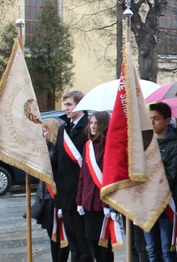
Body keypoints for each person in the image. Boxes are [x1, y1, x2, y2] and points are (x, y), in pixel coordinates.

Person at [52, 90, 93, 261]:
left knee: (84, 245)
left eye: (69, 104)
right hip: (65, 194)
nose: (66, 108)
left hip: (80, 193)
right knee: (73, 243)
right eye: (65, 105)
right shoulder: (63, 129)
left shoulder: (88, 128)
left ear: (80, 105)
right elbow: (57, 160)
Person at [145, 102, 177, 262]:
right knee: (152, 251)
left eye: (156, 119)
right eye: (150, 118)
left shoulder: (175, 144)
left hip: (165, 204)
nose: (152, 122)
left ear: (167, 120)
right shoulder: (145, 142)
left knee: (167, 251)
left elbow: (171, 175)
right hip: (146, 204)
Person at [76, 111, 114, 262]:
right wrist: (79, 200)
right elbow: (83, 175)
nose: (92, 126)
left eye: (96, 123)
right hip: (88, 202)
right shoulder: (88, 146)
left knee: (104, 246)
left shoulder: (110, 146)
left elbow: (110, 176)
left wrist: (107, 203)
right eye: (91, 123)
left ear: (103, 125)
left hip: (101, 203)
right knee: (92, 243)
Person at [37, 118, 70, 262]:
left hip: (55, 197)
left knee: (61, 236)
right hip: (45, 196)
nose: (43, 134)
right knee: (52, 236)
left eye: (45, 131)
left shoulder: (57, 149)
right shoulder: (44, 148)